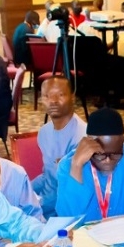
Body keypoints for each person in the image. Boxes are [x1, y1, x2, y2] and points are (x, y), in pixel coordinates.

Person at [33, 77, 86, 219]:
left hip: (66, 212)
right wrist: (25, 192)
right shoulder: (44, 132)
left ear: (72, 97)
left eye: (60, 95)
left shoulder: (82, 137)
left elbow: (75, 189)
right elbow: (47, 175)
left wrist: (38, 208)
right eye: (47, 96)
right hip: (43, 206)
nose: (53, 101)